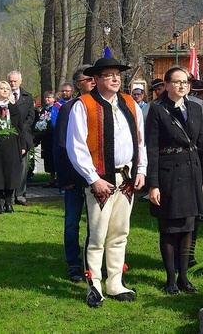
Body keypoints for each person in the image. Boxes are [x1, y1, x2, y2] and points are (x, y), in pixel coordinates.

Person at [66, 57, 147, 307]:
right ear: (96, 79)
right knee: (97, 234)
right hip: (100, 180)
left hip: (127, 179)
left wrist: (141, 170)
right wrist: (93, 178)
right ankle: (95, 286)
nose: (115, 79)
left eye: (117, 75)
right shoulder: (84, 105)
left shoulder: (130, 104)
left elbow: (140, 141)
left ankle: (115, 282)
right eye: (109, 75)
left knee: (120, 233)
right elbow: (75, 146)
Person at [146, 66, 203, 295]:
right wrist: (153, 184)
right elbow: (151, 148)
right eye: (177, 82)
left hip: (192, 171)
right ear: (166, 85)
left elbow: (202, 144)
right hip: (168, 174)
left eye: (186, 82)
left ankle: (184, 277)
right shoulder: (157, 109)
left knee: (188, 229)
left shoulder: (194, 107)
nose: (183, 85)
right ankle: (170, 279)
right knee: (169, 228)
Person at [54, 65, 95, 283]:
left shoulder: (101, 107)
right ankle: (73, 263)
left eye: (94, 78)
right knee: (72, 221)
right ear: (78, 83)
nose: (93, 82)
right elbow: (61, 145)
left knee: (96, 222)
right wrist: (66, 178)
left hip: (96, 177)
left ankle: (93, 262)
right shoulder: (69, 108)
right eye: (88, 79)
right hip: (75, 178)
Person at [0, 81, 25, 214]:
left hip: (12, 143)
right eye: (2, 89)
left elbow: (20, 127)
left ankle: (9, 203)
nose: (4, 91)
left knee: (11, 174)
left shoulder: (13, 107)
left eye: (7, 89)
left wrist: (23, 145)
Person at [7, 71, 35, 206]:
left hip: (23, 136)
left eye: (14, 81)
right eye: (10, 81)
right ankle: (10, 195)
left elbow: (31, 116)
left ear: (20, 82)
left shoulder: (27, 97)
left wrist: (21, 128)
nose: (12, 83)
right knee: (11, 167)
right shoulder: (4, 96)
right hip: (9, 136)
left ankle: (20, 194)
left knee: (23, 167)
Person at [36, 91, 57, 188]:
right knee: (48, 158)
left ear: (53, 99)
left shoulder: (56, 108)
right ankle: (51, 178)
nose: (46, 99)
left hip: (54, 137)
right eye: (45, 97)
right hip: (46, 138)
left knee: (54, 157)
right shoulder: (44, 109)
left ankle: (58, 178)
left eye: (49, 97)